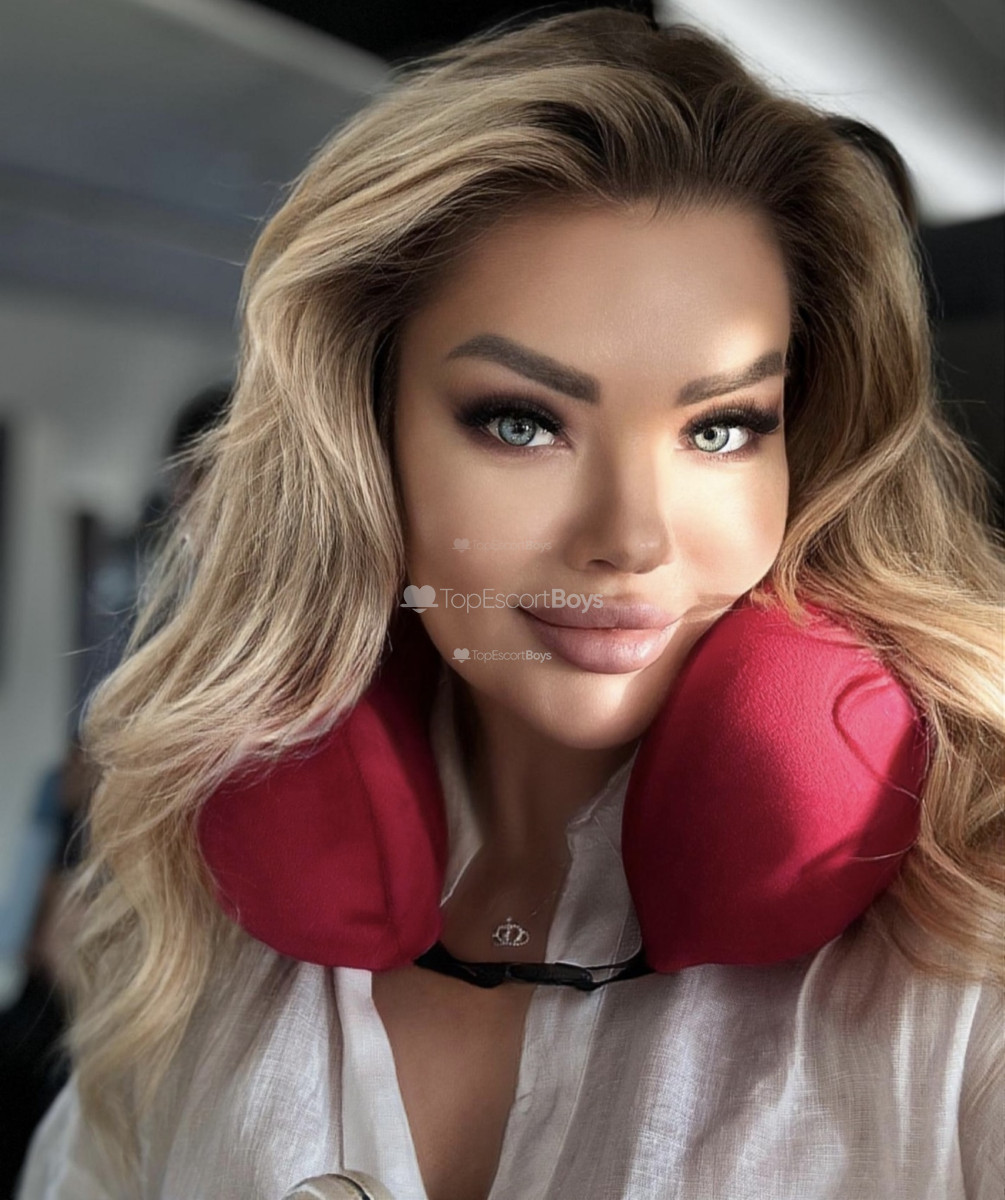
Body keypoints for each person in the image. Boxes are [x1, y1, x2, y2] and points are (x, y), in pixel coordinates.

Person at [16, 9, 1004, 1199]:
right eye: (522, 422)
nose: (631, 538)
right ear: (364, 440)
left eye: (721, 428)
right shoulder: (192, 929)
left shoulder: (972, 935)